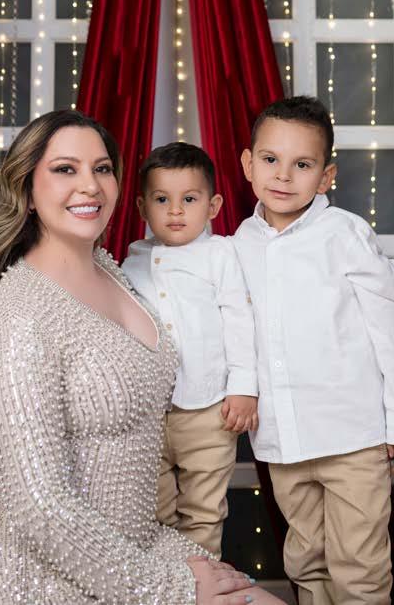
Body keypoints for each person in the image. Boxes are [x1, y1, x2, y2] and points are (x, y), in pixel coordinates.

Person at [0, 109, 280, 605]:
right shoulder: (20, 312)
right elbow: (39, 507)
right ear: (27, 189)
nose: (90, 185)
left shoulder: (114, 269)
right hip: (42, 575)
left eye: (102, 169)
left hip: (139, 540)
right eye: (65, 169)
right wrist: (171, 589)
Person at [233, 96, 394, 605]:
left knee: (358, 566)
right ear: (248, 164)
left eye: (302, 164)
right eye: (270, 159)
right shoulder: (239, 243)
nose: (283, 175)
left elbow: (389, 332)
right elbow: (235, 330)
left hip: (351, 438)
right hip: (283, 440)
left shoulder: (345, 235)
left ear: (326, 176)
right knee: (306, 559)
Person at [122, 143, 258, 558]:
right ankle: (164, 583)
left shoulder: (220, 255)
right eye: (162, 199)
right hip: (148, 413)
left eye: (190, 199)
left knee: (203, 511)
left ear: (213, 206)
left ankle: (201, 583)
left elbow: (240, 320)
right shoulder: (130, 263)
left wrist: (244, 387)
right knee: (152, 510)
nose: (176, 210)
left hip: (209, 409)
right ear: (142, 207)